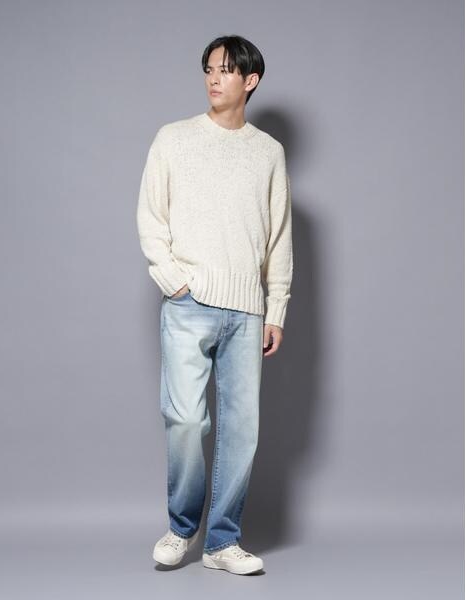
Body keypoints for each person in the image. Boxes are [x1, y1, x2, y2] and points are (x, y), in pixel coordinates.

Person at [136, 34, 293, 575]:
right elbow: (151, 217)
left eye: (226, 70)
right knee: (184, 420)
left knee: (242, 431)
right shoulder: (174, 138)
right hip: (188, 303)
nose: (214, 79)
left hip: (247, 312)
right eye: (209, 69)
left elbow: (279, 238)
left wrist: (275, 310)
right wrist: (173, 280)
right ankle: (182, 528)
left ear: (250, 80)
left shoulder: (268, 152)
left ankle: (223, 543)